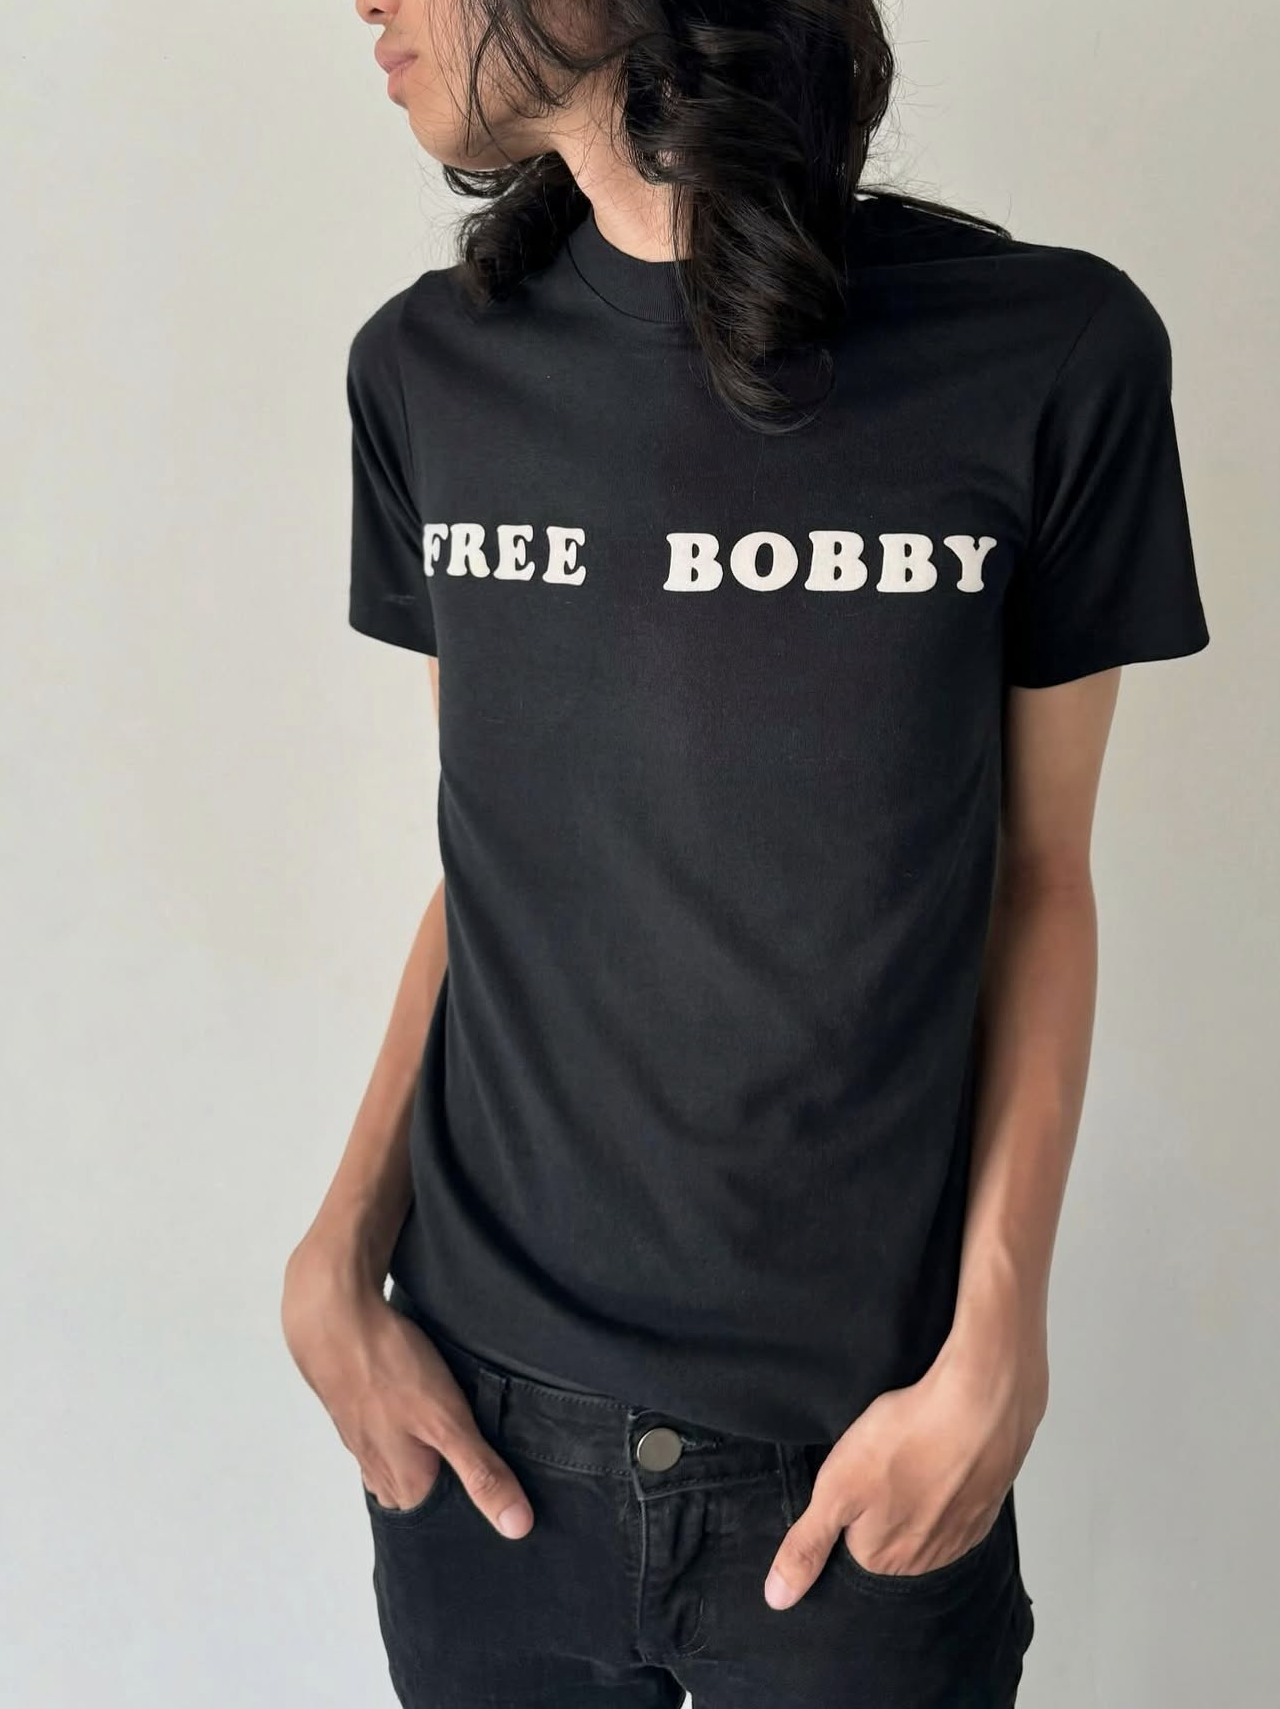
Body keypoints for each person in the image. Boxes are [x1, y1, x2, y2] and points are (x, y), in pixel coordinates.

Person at [280, 2, 1212, 1704]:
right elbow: (493, 862)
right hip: (479, 1448)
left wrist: (999, 1337)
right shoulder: (424, 373)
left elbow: (1041, 878)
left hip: (862, 1466)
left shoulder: (1052, 354)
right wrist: (336, 1251)